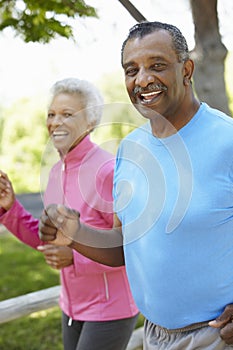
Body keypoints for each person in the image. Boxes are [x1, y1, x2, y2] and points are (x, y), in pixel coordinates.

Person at [37, 21, 233, 349]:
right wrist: (75, 234)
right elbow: (126, 244)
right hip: (154, 336)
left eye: (156, 65)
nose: (142, 80)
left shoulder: (227, 140)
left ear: (186, 69)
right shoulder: (130, 149)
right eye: (131, 70)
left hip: (219, 336)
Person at [0, 77, 139, 350]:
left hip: (111, 308)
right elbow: (47, 238)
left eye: (67, 114)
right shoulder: (55, 173)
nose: (55, 122)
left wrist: (73, 257)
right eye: (51, 114)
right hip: (72, 308)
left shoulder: (109, 170)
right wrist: (9, 207)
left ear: (90, 122)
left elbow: (128, 246)